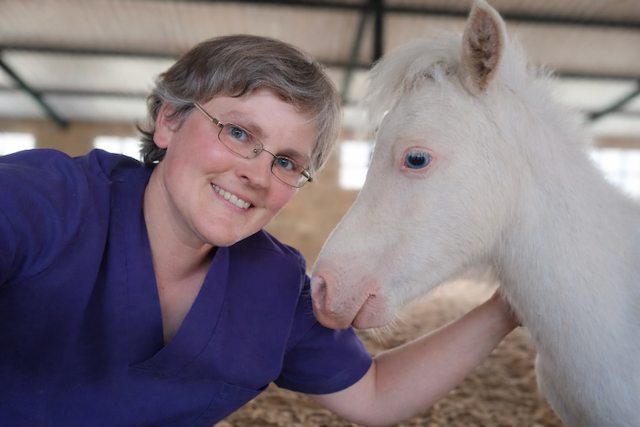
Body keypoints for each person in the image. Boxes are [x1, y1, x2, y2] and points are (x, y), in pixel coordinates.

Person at [0, 35, 519, 426]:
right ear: (169, 122)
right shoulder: (46, 200)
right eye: (239, 132)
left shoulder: (273, 285)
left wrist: (505, 309)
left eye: (289, 163)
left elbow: (376, 394)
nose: (258, 173)